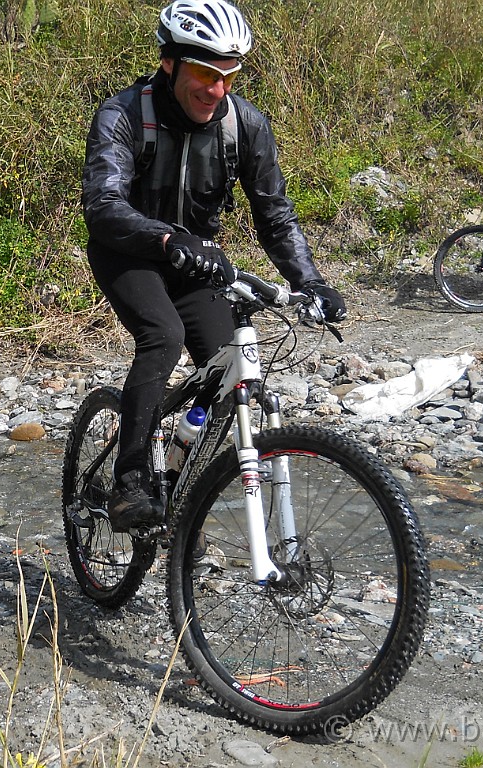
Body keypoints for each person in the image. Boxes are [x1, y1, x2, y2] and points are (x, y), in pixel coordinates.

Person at [80, 0, 346, 532]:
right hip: (129, 252)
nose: (216, 90)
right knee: (163, 335)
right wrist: (164, 237)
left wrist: (310, 281)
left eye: (228, 76)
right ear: (170, 63)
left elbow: (275, 214)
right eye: (204, 73)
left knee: (230, 369)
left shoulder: (245, 126)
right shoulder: (124, 114)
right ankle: (130, 480)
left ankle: (181, 494)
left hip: (198, 265)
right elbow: (104, 205)